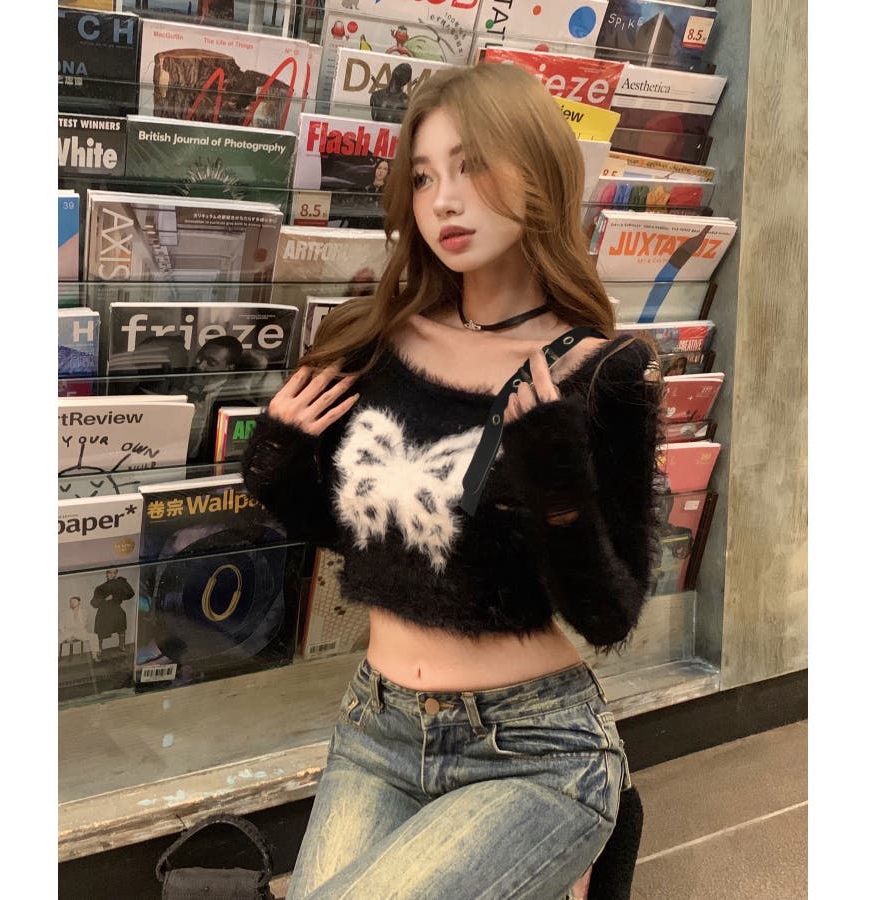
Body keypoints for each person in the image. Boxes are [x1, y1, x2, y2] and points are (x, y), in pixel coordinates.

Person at [242, 63, 661, 900]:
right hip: (377, 729)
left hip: (536, 749)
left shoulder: (602, 370)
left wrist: (556, 478)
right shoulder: (379, 338)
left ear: (538, 171)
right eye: (426, 176)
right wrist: (277, 463)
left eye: (472, 167)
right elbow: (367, 538)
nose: (444, 200)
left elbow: (608, 615)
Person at [90, 569, 134, 654]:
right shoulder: (100, 588)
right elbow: (94, 603)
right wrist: (104, 600)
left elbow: (130, 594)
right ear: (106, 574)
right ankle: (99, 648)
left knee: (121, 618)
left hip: (115, 608)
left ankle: (122, 645)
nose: (112, 574)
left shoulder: (119, 584)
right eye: (110, 572)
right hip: (104, 610)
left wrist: (115, 596)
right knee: (100, 626)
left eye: (114, 573)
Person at [59, 595, 100, 662]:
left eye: (74, 601)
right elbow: (61, 626)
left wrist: (78, 630)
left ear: (79, 602)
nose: (72, 603)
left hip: (79, 632)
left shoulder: (84, 612)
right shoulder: (66, 613)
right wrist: (67, 637)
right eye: (71, 602)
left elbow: (83, 625)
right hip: (68, 633)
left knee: (94, 636)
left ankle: (95, 655)